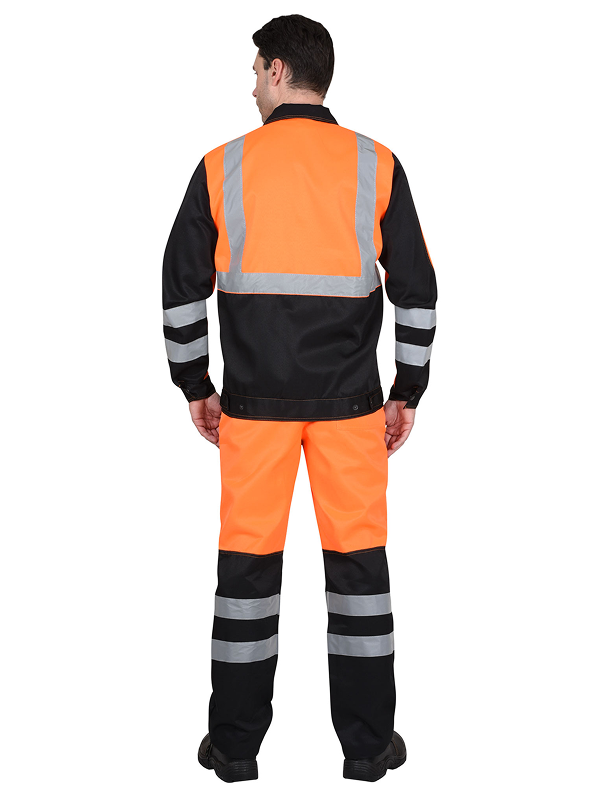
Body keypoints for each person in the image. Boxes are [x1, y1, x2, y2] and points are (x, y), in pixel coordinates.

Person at [162, 13, 437, 783]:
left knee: (245, 581)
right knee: (360, 579)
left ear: (279, 70)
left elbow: (180, 290)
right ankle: (368, 750)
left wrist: (196, 385)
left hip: (252, 411)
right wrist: (406, 390)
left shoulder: (222, 165)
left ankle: (234, 750)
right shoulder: (376, 163)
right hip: (353, 410)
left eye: (255, 69)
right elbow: (417, 293)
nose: (252, 83)